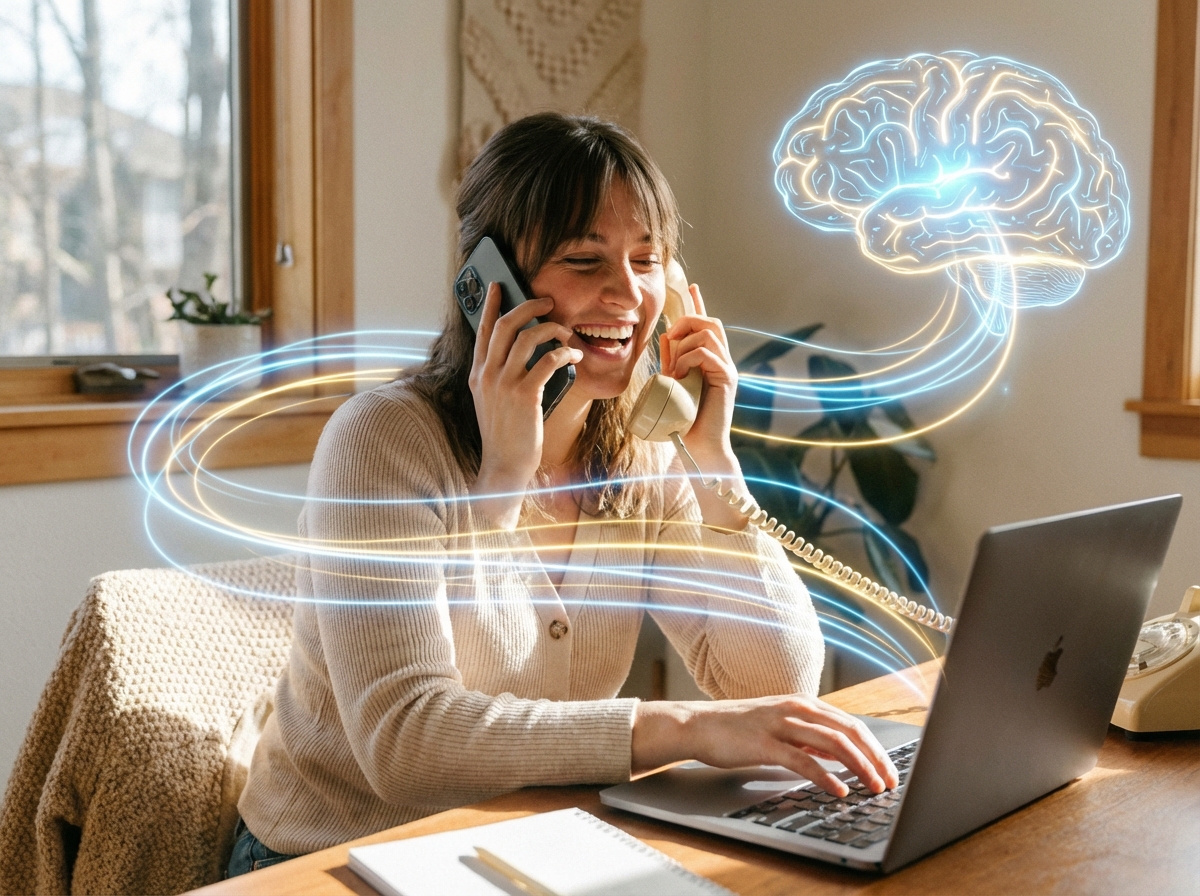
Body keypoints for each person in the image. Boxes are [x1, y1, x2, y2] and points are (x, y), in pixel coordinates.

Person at [229, 113, 898, 875]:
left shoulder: (644, 450)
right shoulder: (379, 442)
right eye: (585, 260)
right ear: (491, 284)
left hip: (524, 847)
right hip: (326, 858)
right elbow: (405, 742)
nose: (628, 294)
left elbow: (775, 684)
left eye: (648, 261)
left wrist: (713, 462)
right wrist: (503, 482)